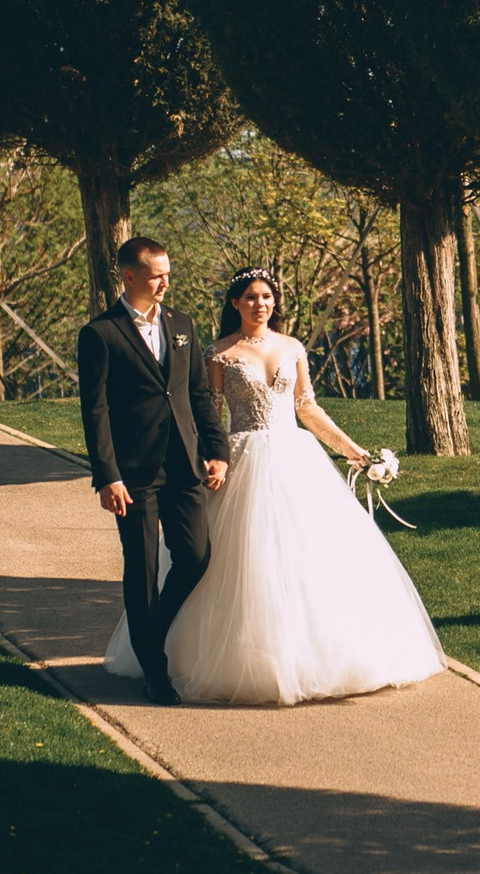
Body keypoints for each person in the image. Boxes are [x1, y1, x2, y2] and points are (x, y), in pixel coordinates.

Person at [102, 266, 443, 705]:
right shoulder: (218, 353)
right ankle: (207, 657)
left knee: (313, 559)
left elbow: (307, 408)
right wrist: (214, 458)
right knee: (242, 560)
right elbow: (208, 414)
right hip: (241, 459)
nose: (259, 304)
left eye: (266, 296)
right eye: (250, 297)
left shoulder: (292, 347)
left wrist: (350, 449)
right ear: (235, 304)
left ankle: (319, 654)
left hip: (295, 459)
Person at [78, 237, 229, 706]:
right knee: (140, 569)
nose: (166, 281)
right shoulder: (100, 333)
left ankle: (152, 630)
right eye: (156, 273)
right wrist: (107, 476)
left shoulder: (181, 325)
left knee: (196, 556)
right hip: (133, 473)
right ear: (129, 276)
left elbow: (198, 394)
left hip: (185, 465)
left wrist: (216, 448)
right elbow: (95, 411)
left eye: (168, 271)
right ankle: (154, 671)